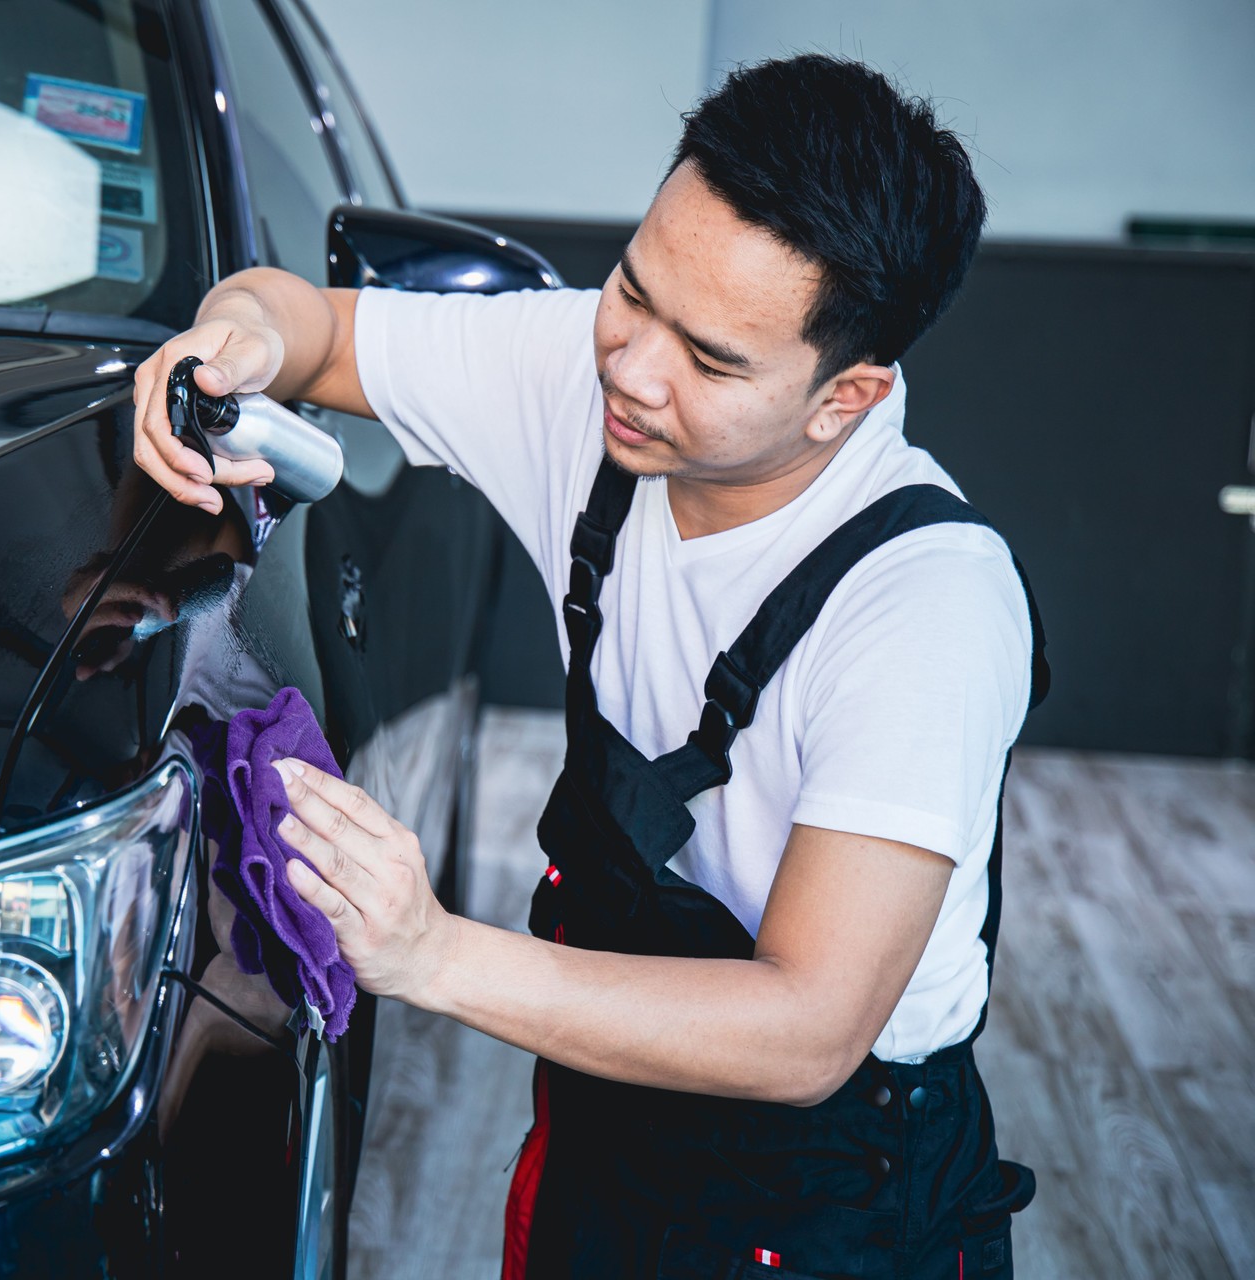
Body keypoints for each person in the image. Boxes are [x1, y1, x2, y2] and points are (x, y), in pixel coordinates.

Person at [130, 53, 1046, 1280]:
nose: (631, 364)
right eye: (633, 286)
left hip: (831, 1174)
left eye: (712, 359)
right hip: (611, 1100)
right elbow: (304, 323)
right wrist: (226, 341)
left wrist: (432, 951)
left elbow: (810, 1028)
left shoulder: (926, 606)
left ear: (850, 396)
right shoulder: (594, 372)